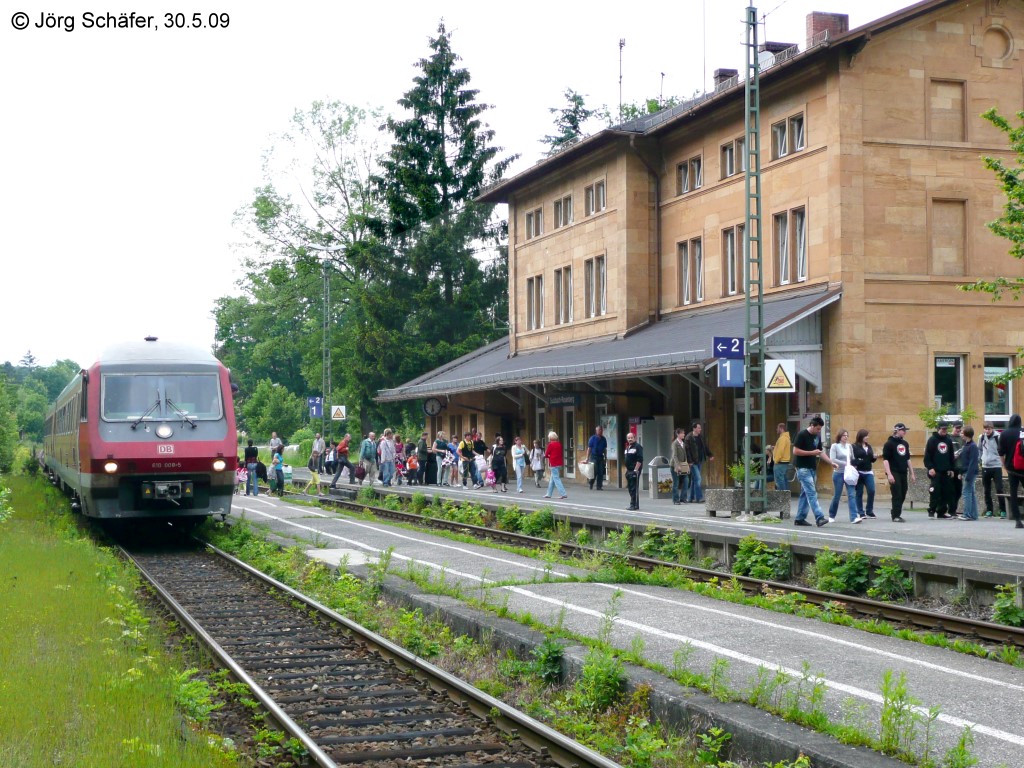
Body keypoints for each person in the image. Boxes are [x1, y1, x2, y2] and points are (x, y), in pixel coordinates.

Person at [792, 416, 836, 527]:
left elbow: (820, 452)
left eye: (820, 429)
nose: (819, 431)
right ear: (812, 425)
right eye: (817, 429)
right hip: (802, 468)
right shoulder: (802, 434)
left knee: (805, 493)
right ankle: (819, 517)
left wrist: (831, 462)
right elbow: (795, 451)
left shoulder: (816, 437)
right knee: (812, 493)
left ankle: (800, 518)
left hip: (812, 468)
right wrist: (812, 452)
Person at [882, 422, 915, 523]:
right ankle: (896, 515)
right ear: (897, 431)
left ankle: (895, 511)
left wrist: (912, 473)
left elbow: (908, 459)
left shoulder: (905, 444)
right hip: (894, 471)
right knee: (897, 493)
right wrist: (889, 474)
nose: (905, 432)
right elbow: (885, 460)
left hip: (903, 471)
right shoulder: (889, 444)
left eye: (905, 430)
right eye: (903, 430)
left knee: (903, 492)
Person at [923, 422, 956, 519]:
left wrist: (951, 468)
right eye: (942, 429)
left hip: (945, 471)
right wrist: (930, 467)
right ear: (938, 429)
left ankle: (941, 512)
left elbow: (951, 456)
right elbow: (927, 456)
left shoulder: (948, 440)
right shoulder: (932, 440)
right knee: (935, 491)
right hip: (935, 470)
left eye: (945, 429)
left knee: (946, 492)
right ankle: (931, 510)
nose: (944, 431)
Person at [827, 429, 862, 523]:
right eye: (844, 435)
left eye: (847, 435)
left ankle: (854, 517)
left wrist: (854, 464)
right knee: (837, 495)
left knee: (851, 494)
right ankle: (831, 515)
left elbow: (852, 458)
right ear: (840, 436)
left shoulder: (849, 446)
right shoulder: (835, 446)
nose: (846, 437)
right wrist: (845, 463)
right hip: (838, 473)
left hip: (848, 473)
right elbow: (833, 459)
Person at [997, 413, 1023, 529]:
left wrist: (1004, 465)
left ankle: (1017, 520)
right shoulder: (1022, 432)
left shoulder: (1005, 434)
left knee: (1013, 492)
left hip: (1012, 468)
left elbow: (1001, 452)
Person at [979, 422, 1005, 518]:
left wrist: (1002, 461)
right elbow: (979, 449)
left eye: (989, 429)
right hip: (985, 465)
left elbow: (1002, 450)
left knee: (999, 488)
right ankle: (989, 510)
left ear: (992, 429)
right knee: (986, 489)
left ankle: (1003, 510)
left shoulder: (998, 437)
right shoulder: (981, 437)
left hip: (996, 465)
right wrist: (981, 459)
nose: (987, 431)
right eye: (985, 429)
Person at [684, 422, 714, 503]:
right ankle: (699, 497)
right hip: (693, 462)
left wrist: (710, 455)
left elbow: (705, 447)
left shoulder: (700, 437)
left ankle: (691, 498)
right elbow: (687, 451)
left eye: (700, 428)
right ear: (694, 428)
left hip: (699, 460)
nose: (700, 429)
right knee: (698, 478)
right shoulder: (688, 438)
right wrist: (690, 461)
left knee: (694, 479)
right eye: (699, 428)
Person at [851, 429, 878, 519]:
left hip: (868, 471)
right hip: (859, 472)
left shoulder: (868, 446)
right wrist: (859, 461)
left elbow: (871, 459)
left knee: (871, 490)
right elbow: (852, 459)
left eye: (867, 436)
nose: (867, 437)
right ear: (861, 436)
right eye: (866, 436)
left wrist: (874, 457)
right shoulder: (854, 446)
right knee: (859, 492)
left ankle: (869, 510)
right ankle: (860, 511)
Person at [958, 425, 980, 521]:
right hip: (966, 471)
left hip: (970, 472)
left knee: (966, 492)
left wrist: (968, 476)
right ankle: (973, 514)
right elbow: (964, 461)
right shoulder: (966, 445)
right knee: (971, 493)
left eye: (962, 433)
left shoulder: (973, 446)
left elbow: (973, 462)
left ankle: (967, 514)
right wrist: (961, 472)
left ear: (966, 434)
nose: (960, 434)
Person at [543, 431, 567, 499]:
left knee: (556, 479)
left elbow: (546, 454)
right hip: (559, 463)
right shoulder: (559, 444)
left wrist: (549, 456)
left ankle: (563, 493)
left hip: (553, 463)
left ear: (550, 437)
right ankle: (549, 494)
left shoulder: (550, 444)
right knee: (552, 479)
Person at [583, 425, 608, 491]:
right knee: (594, 470)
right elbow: (589, 449)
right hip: (593, 456)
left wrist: (605, 457)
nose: (600, 431)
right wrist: (587, 458)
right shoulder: (592, 438)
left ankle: (599, 486)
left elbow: (604, 449)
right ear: (596, 431)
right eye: (599, 430)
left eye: (601, 430)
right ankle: (591, 482)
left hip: (600, 457)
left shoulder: (603, 439)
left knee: (600, 471)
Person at [624, 431, 644, 511]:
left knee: (633, 488)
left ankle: (633, 505)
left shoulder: (638, 447)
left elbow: (640, 459)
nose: (630, 439)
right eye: (628, 438)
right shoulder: (627, 447)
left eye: (631, 438)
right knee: (630, 488)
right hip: (629, 470)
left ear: (635, 438)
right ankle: (635, 505)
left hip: (634, 470)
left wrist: (636, 470)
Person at [669, 427, 690, 505]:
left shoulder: (683, 443)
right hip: (674, 465)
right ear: (678, 434)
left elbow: (685, 455)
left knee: (686, 481)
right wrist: (677, 466)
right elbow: (674, 455)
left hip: (683, 465)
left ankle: (683, 498)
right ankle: (676, 499)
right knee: (676, 482)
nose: (684, 434)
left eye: (684, 433)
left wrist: (686, 464)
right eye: (682, 433)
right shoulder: (675, 443)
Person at [770, 422, 792, 491]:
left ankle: (782, 496)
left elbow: (780, 451)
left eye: (777, 428)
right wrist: (775, 447)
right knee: (784, 480)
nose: (776, 429)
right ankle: (786, 495)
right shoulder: (786, 438)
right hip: (784, 462)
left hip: (780, 463)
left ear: (781, 428)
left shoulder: (782, 438)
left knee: (779, 481)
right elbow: (782, 449)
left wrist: (776, 461)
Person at [950, 422, 965, 514]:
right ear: (952, 427)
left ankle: (954, 509)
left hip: (960, 467)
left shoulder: (962, 439)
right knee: (951, 490)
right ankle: (951, 510)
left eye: (960, 428)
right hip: (952, 467)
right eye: (956, 428)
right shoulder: (949, 438)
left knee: (958, 490)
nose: (958, 430)